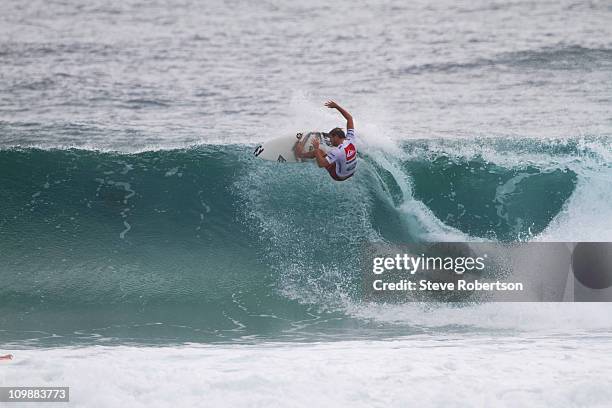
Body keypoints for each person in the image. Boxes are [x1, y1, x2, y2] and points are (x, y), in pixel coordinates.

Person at [295, 101, 357, 181]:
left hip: (339, 176)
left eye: (331, 138)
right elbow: (349, 118)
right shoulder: (351, 138)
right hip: (351, 172)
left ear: (336, 137)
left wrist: (316, 149)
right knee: (335, 156)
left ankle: (300, 154)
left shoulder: (338, 151)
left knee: (320, 152)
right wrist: (336, 106)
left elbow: (321, 164)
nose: (330, 141)